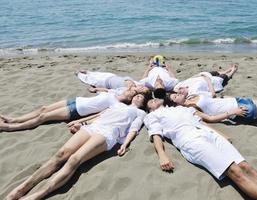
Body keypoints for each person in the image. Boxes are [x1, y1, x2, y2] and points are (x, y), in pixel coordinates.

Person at [5, 93, 148, 200]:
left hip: (108, 133)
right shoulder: (117, 104)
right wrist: (82, 123)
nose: (137, 97)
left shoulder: (140, 113)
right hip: (94, 127)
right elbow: (100, 116)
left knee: (74, 159)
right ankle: (23, 187)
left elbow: (133, 129)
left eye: (141, 97)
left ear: (143, 103)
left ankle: (38, 194)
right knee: (60, 154)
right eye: (137, 95)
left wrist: (125, 144)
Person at [144, 98, 257, 200]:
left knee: (246, 166)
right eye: (149, 101)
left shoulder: (182, 108)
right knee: (234, 171)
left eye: (154, 97)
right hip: (190, 140)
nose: (153, 99)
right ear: (148, 108)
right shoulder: (151, 116)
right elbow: (156, 134)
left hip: (208, 133)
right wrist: (162, 155)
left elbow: (202, 121)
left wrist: (220, 134)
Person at [0, 89, 137, 132]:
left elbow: (100, 114)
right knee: (44, 108)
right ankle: (14, 119)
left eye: (132, 94)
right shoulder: (113, 93)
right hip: (76, 100)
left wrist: (81, 121)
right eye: (131, 91)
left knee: (44, 117)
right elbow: (101, 90)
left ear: (129, 99)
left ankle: (10, 127)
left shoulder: (117, 104)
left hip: (76, 111)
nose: (130, 92)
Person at [169, 93, 257, 125]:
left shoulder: (192, 95)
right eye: (175, 96)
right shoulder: (192, 109)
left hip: (235, 100)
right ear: (176, 104)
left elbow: (213, 97)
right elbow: (211, 118)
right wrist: (232, 112)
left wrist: (226, 96)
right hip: (237, 109)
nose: (178, 94)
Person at [174, 64, 238, 98]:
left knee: (213, 72)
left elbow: (190, 79)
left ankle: (226, 70)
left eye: (178, 91)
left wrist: (198, 75)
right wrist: (208, 80)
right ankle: (232, 71)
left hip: (202, 77)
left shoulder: (180, 86)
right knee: (224, 77)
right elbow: (213, 95)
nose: (179, 90)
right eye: (180, 93)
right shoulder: (193, 93)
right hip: (211, 82)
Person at [76, 70, 150, 95]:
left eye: (143, 89)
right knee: (95, 74)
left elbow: (110, 91)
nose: (142, 86)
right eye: (144, 87)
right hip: (112, 76)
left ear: (140, 92)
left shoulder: (127, 92)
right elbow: (127, 77)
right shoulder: (137, 84)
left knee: (89, 80)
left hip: (104, 83)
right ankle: (88, 72)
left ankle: (78, 74)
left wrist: (96, 89)